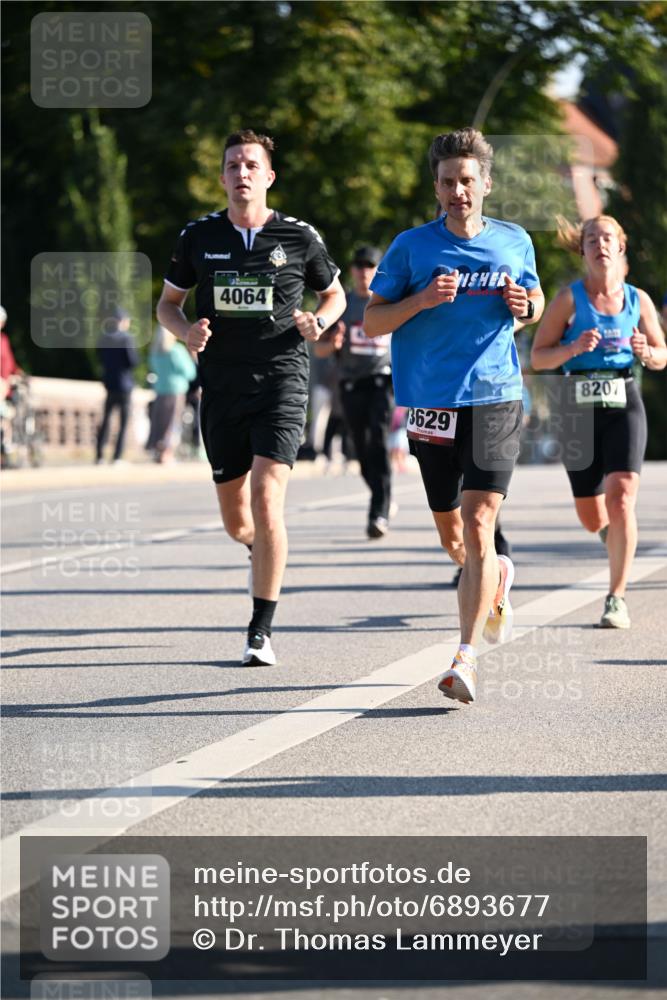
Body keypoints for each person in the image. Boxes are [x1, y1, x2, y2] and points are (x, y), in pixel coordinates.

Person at [364, 127, 544, 704]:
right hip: (431, 403)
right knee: (454, 537)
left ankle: (464, 657)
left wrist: (526, 306)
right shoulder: (411, 248)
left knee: (478, 521)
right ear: (436, 187)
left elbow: (535, 299)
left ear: (486, 184)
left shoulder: (514, 241)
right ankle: (493, 581)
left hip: (495, 394)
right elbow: (372, 322)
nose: (458, 191)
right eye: (448, 182)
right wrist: (420, 300)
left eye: (467, 181)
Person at [157, 128, 345, 667]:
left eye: (251, 165)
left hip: (283, 379)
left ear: (268, 177)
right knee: (238, 523)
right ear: (222, 177)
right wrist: (184, 331)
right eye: (233, 165)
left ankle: (260, 630)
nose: (242, 173)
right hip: (221, 388)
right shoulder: (198, 236)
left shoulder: (299, 236)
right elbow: (168, 305)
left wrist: (319, 321)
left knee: (268, 500)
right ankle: (259, 548)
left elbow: (334, 293)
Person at [530, 215, 666, 629]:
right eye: (592, 239)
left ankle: (616, 597)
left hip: (624, 401)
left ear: (620, 247)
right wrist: (572, 347)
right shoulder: (569, 300)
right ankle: (611, 535)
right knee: (592, 515)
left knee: (621, 495)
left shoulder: (637, 300)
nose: (600, 245)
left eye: (608, 238)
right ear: (583, 249)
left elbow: (662, 356)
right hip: (575, 407)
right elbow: (538, 358)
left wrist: (646, 351)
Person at [315, 245, 395, 537]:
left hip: (381, 382)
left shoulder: (389, 301)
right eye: (359, 266)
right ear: (352, 270)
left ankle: (379, 510)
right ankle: (381, 494)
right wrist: (332, 344)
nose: (364, 272)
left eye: (370, 266)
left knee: (379, 440)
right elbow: (320, 348)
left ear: (378, 270)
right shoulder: (343, 304)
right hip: (350, 384)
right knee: (359, 447)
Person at [147, 325, 197, 463]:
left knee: (159, 422)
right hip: (176, 390)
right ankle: (167, 453)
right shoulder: (176, 351)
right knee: (172, 423)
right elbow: (190, 372)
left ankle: (157, 451)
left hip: (160, 390)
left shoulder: (155, 351)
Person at [95, 306, 139, 464]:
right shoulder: (126, 338)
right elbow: (133, 361)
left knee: (106, 419)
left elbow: (100, 358)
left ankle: (99, 455)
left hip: (109, 382)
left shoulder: (103, 338)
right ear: (123, 321)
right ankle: (117, 456)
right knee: (123, 421)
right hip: (124, 384)